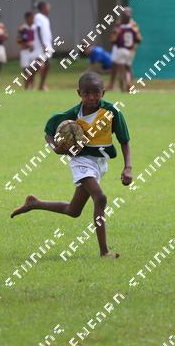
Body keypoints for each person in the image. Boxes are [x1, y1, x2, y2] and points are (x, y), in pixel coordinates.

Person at [10, 71, 132, 259]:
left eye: (96, 93)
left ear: (103, 92)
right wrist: (56, 148)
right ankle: (104, 251)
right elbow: (49, 132)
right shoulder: (72, 115)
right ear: (79, 93)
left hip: (100, 163)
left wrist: (128, 167)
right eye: (86, 93)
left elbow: (124, 140)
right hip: (80, 161)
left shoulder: (111, 112)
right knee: (100, 198)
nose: (91, 97)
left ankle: (34, 203)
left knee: (73, 210)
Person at [109, 8, 142, 91]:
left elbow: (113, 39)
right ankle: (124, 85)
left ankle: (126, 86)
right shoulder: (124, 25)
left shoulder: (130, 25)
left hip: (124, 49)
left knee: (124, 67)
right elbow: (139, 39)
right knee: (123, 67)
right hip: (126, 48)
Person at [32, 1, 53, 90]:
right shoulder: (38, 17)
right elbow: (38, 30)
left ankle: (41, 85)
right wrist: (43, 44)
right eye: (48, 7)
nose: (49, 9)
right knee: (39, 64)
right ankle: (29, 82)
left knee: (47, 64)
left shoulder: (46, 18)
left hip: (47, 44)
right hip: (41, 45)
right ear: (43, 8)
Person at [17, 11, 37, 90]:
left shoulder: (35, 28)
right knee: (26, 69)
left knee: (33, 69)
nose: (33, 19)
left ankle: (32, 86)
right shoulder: (22, 28)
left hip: (34, 51)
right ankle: (26, 86)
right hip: (25, 51)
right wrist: (26, 43)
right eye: (32, 17)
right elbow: (18, 39)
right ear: (27, 18)